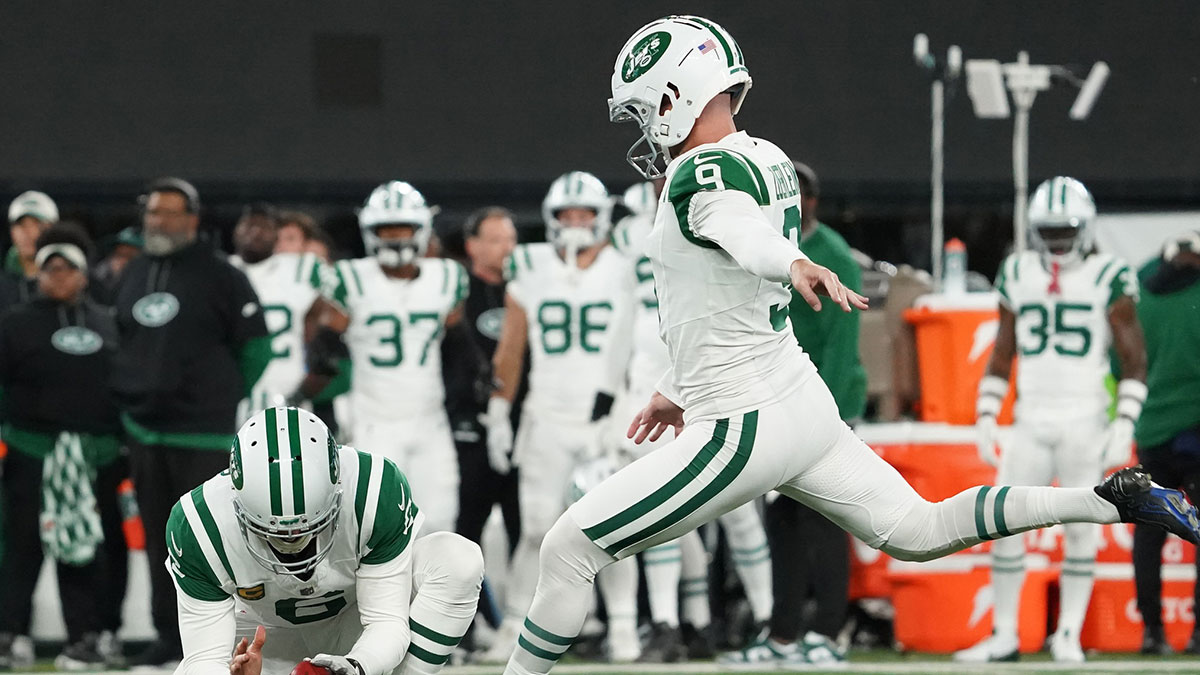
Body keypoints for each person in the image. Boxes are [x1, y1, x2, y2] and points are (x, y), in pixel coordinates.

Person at [501, 16, 1200, 675]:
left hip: (744, 419)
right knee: (919, 529)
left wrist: (789, 262)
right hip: (795, 398)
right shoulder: (767, 156)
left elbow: (739, 233)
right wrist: (677, 384)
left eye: (644, 107)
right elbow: (726, 293)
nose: (644, 127)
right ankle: (1111, 500)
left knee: (569, 545)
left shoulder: (698, 173)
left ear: (674, 96)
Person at [953, 177, 1146, 664]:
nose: (1058, 240)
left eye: (1066, 230)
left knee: (1083, 527)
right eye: (1050, 230)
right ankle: (1004, 635)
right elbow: (1003, 350)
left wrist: (1125, 419)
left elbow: (1134, 358)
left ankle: (1068, 635)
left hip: (1085, 418)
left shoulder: (1110, 274)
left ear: (1086, 227)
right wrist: (985, 410)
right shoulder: (1017, 271)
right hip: (1031, 418)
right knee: (1003, 522)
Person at [170, 406, 484, 675]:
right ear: (236, 502)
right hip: (262, 638)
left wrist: (357, 666)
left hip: (353, 620)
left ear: (337, 485)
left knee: (457, 561)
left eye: (310, 528)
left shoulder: (372, 489)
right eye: (272, 532)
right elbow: (204, 659)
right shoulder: (198, 525)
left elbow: (387, 623)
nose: (292, 544)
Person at [111, 177, 272, 667]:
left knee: (214, 545)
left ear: (193, 218)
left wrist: (218, 398)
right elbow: (121, 342)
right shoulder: (134, 272)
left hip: (203, 434)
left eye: (169, 213)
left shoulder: (223, 275)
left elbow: (257, 348)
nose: (158, 221)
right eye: (153, 212)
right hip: (145, 433)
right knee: (166, 543)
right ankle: (169, 634)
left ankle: (227, 641)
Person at [610, 181, 774, 663]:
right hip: (653, 380)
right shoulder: (629, 237)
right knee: (662, 503)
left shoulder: (719, 215)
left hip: (714, 372)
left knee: (738, 508)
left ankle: (763, 616)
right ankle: (673, 622)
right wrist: (608, 398)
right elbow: (624, 320)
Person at [481, 172, 640, 663]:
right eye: (566, 216)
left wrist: (620, 408)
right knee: (534, 527)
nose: (574, 224)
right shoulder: (529, 265)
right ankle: (514, 625)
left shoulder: (625, 266)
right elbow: (513, 344)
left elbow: (639, 346)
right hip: (546, 415)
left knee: (613, 526)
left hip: (605, 417)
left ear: (601, 219)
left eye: (584, 215)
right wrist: (499, 409)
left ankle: (623, 628)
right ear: (551, 220)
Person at [720, 162, 866, 668]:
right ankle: (783, 634)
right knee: (781, 520)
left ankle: (827, 631)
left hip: (823, 401)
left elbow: (843, 346)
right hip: (777, 398)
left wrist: (828, 415)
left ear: (813, 202)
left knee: (825, 518)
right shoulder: (766, 251)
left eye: (799, 197)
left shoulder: (833, 258)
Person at [0, 225, 128, 669]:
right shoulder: (14, 324)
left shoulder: (108, 323)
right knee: (21, 547)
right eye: (49, 267)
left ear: (83, 274)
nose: (57, 275)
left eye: (67, 267)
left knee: (91, 549)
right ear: (38, 274)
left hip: (97, 456)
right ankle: (11, 634)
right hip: (32, 450)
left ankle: (89, 635)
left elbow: (125, 386)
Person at [317, 181, 465, 534]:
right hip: (373, 421)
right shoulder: (349, 279)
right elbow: (324, 348)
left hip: (431, 421)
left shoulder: (446, 277)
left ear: (422, 229)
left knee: (441, 523)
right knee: (377, 529)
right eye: (386, 229)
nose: (396, 237)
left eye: (403, 228)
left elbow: (460, 346)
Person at [1131, 230, 1200, 655]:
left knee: (1149, 533)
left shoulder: (1140, 287)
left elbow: (1122, 357)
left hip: (1150, 425)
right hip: (1195, 427)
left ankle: (1152, 631)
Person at [444, 207, 521, 555]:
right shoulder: (455, 293)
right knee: (466, 527)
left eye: (510, 239)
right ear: (472, 246)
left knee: (526, 525)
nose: (506, 248)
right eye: (495, 240)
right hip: (469, 422)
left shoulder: (525, 290)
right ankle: (462, 610)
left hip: (520, 419)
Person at [229, 203, 326, 422]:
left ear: (276, 235)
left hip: (290, 394)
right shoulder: (220, 272)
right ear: (236, 231)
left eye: (264, 227)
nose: (255, 232)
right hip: (234, 397)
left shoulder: (305, 269)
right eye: (249, 225)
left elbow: (328, 320)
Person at [1, 191, 58, 310]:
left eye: (38, 224)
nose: (29, 233)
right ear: (12, 231)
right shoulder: (3, 286)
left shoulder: (76, 285)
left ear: (54, 229)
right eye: (21, 225)